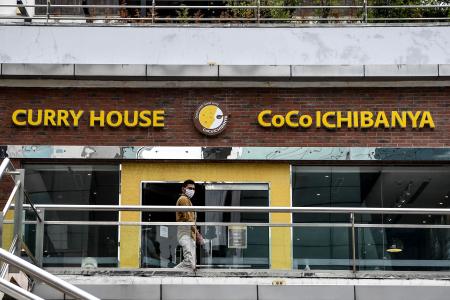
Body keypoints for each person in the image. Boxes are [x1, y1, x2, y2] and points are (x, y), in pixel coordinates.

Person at [174, 179, 204, 270]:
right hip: (185, 233)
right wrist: (198, 235)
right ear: (183, 189)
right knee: (189, 262)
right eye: (189, 188)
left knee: (192, 264)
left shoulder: (187, 200)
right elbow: (189, 219)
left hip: (189, 234)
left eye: (193, 189)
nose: (192, 191)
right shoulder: (183, 199)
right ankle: (170, 274)